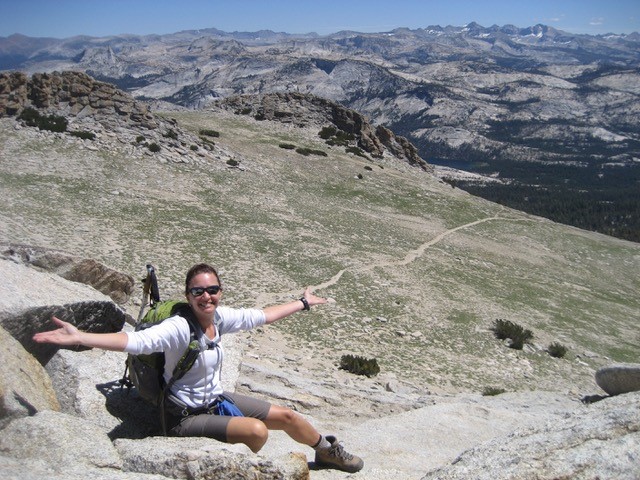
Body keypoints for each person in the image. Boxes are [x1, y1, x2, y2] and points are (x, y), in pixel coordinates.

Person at [33, 263, 364, 473]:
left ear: (220, 292)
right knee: (257, 430)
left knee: (289, 416)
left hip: (215, 401)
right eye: (198, 291)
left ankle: (326, 451)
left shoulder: (219, 319)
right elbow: (135, 342)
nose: (206, 296)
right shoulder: (179, 327)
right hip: (183, 417)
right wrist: (81, 337)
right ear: (188, 296)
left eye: (212, 289)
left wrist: (303, 302)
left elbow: (261, 315)